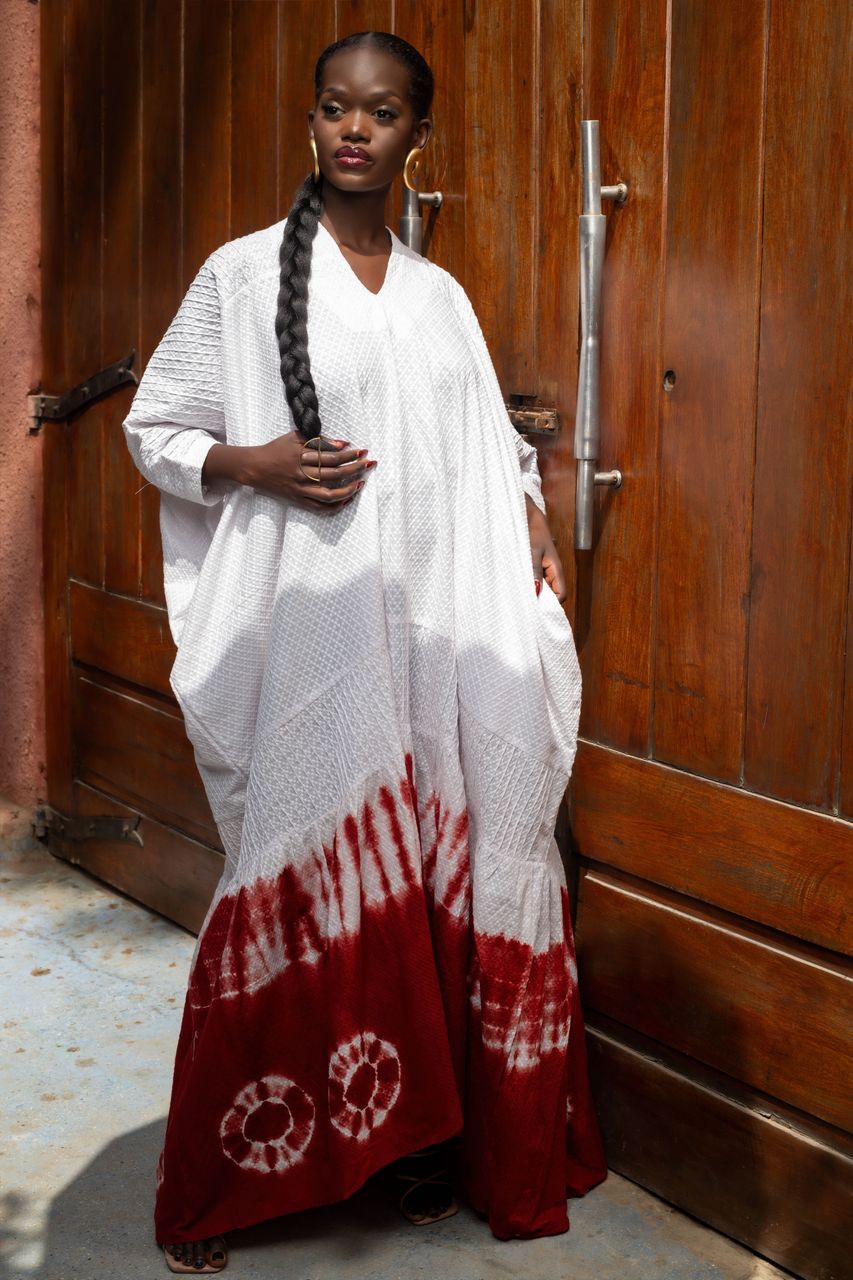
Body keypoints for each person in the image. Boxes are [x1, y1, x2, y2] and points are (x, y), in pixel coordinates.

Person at [124, 29, 607, 1275]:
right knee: (297, 859)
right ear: (311, 122)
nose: (355, 128)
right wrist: (253, 461)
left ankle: (416, 1145)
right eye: (336, 107)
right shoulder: (242, 277)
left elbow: (482, 435)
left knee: (440, 852)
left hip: (433, 631)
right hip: (314, 639)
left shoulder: (439, 297)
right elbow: (155, 426)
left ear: (415, 138)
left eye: (382, 113)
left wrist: (528, 510)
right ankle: (225, 1183)